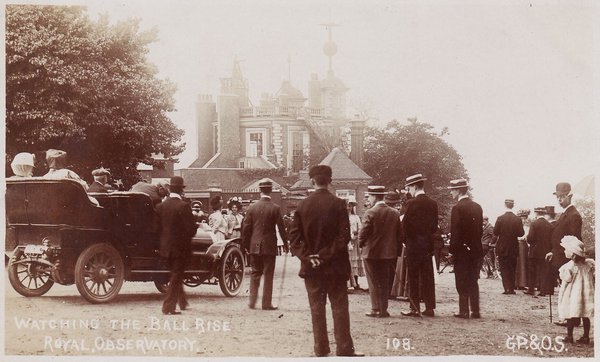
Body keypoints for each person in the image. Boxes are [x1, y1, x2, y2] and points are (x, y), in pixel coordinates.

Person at [289, 165, 363, 357]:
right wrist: (324, 256)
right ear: (330, 181)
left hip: (311, 268)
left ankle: (320, 349)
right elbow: (343, 238)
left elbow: (295, 240)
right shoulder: (339, 204)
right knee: (339, 307)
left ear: (312, 181)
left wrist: (309, 257)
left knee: (316, 308)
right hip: (335, 266)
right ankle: (344, 348)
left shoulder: (302, 206)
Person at [242, 179, 287, 310]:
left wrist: (245, 245)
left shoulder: (252, 207)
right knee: (268, 274)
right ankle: (266, 303)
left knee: (255, 273)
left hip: (254, 245)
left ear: (259, 191)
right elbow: (282, 228)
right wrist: (286, 244)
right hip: (269, 246)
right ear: (271, 191)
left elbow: (246, 228)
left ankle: (252, 302)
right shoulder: (275, 208)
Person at [155, 176, 198, 315]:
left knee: (175, 274)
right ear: (181, 190)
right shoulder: (184, 206)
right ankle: (168, 307)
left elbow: (157, 228)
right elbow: (191, 230)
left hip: (165, 248)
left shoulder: (161, 206)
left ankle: (183, 302)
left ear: (170, 189)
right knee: (176, 275)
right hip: (180, 249)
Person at [358, 186, 402, 318]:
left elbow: (363, 233)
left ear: (375, 197)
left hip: (371, 253)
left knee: (373, 281)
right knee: (384, 281)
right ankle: (383, 309)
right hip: (389, 253)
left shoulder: (370, 212)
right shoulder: (395, 213)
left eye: (369, 197)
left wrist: (361, 245)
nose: (368, 199)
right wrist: (397, 251)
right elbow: (399, 235)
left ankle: (375, 308)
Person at [401, 173, 438, 317]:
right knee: (428, 276)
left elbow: (404, 225)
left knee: (413, 276)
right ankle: (429, 308)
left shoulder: (410, 204)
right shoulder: (432, 203)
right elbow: (434, 226)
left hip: (413, 245)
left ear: (414, 187)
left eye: (409, 188)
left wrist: (405, 240)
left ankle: (414, 307)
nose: (408, 191)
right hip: (427, 245)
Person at [448, 178, 483, 319]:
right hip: (475, 249)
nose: (451, 192)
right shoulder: (477, 207)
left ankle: (463, 310)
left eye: (452, 190)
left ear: (458, 190)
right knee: (473, 279)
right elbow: (479, 230)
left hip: (462, 250)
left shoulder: (457, 208)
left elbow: (456, 232)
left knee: (461, 279)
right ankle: (475, 310)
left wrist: (452, 250)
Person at [557, 236, 594, 344]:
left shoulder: (569, 266)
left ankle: (569, 336)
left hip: (573, 293)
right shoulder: (588, 264)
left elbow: (567, 279)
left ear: (572, 254)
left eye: (566, 250)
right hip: (586, 293)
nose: (564, 251)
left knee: (571, 313)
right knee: (585, 314)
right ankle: (586, 336)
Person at [493, 199, 524, 295]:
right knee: (512, 267)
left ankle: (506, 288)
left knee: (503, 267)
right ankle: (511, 288)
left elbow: (495, 232)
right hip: (513, 247)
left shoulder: (500, 218)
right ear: (513, 206)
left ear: (505, 205)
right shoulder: (517, 219)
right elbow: (521, 233)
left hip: (502, 246)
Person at [524, 207, 553, 296]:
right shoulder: (549, 225)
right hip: (545, 252)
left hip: (534, 251)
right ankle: (543, 290)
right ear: (544, 214)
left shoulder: (534, 224)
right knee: (543, 271)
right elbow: (552, 240)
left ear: (536, 213)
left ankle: (531, 289)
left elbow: (530, 238)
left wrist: (528, 240)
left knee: (532, 270)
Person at [346, 197, 365, 291]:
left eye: (350, 206)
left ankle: (356, 282)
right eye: (347, 206)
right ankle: (348, 283)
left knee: (355, 261)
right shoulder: (342, 217)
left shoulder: (355, 217)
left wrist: (356, 233)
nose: (348, 208)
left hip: (354, 241)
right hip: (346, 242)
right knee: (348, 261)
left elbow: (360, 228)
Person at [515, 209, 530, 290]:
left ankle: (522, 283)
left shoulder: (527, 227)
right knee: (517, 263)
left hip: (524, 246)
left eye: (524, 218)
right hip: (517, 244)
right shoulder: (516, 226)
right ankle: (516, 282)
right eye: (522, 218)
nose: (523, 220)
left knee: (523, 264)